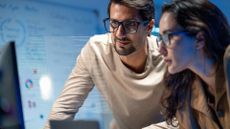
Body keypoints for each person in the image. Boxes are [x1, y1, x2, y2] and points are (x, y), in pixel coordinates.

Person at [44, 0, 167, 129]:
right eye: (114, 23)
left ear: (149, 27)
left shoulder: (169, 57)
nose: (119, 33)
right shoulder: (96, 50)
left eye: (130, 24)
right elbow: (64, 109)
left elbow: (182, 120)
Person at [156, 0, 230, 128]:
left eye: (168, 37)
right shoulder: (183, 89)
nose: (160, 49)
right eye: (160, 39)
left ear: (200, 39)